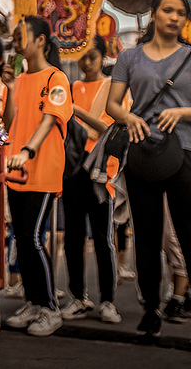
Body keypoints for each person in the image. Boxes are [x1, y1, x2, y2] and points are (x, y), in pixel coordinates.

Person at [106, 0, 191, 349]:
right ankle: (151, 309)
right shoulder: (129, 57)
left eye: (181, 13)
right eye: (168, 10)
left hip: (184, 152)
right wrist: (129, 118)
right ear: (153, 14)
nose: (174, 18)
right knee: (147, 236)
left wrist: (181, 111)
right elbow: (112, 104)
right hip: (142, 153)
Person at [2, 16, 71, 337]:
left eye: (21, 36)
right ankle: (33, 300)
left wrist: (28, 150)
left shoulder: (57, 78)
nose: (16, 42)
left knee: (30, 237)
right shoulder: (19, 78)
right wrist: (11, 88)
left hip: (41, 167)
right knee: (21, 238)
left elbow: (49, 120)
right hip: (14, 167)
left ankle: (49, 308)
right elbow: (9, 121)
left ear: (41, 40)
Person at [62, 35, 121, 324]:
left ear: (103, 57)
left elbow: (108, 131)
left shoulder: (112, 88)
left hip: (101, 172)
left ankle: (108, 300)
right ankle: (77, 296)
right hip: (73, 170)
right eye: (83, 56)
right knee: (73, 236)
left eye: (92, 56)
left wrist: (77, 111)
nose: (86, 63)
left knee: (102, 238)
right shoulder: (71, 87)